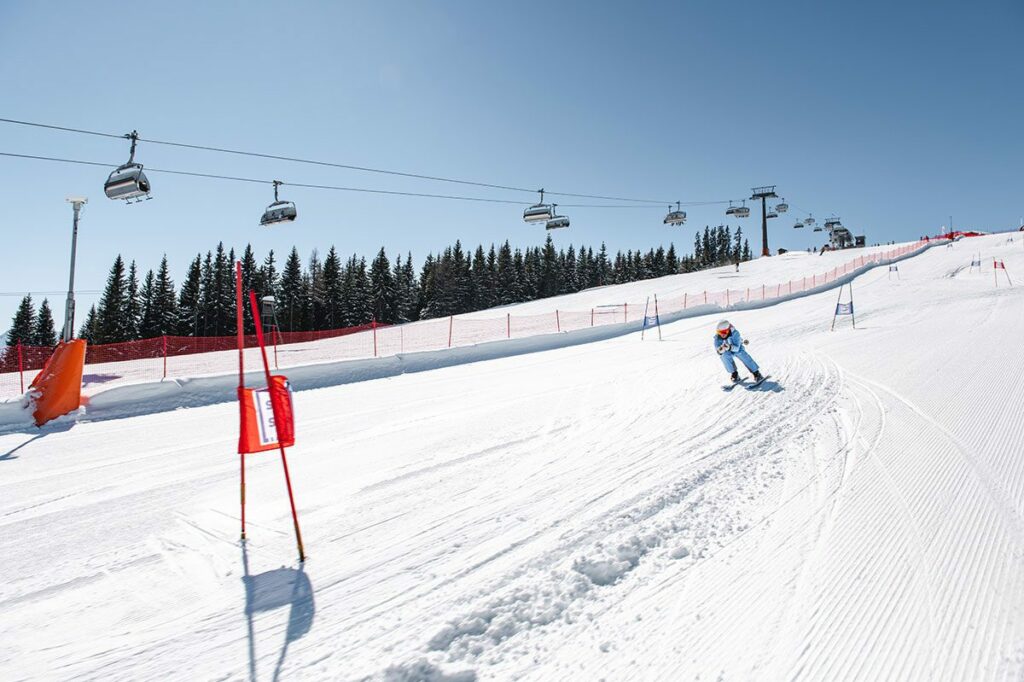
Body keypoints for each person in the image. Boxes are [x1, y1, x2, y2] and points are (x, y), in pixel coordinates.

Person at [714, 320, 763, 384]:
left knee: (741, 354)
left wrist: (730, 347)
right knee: (724, 356)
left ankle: (756, 373)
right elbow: (718, 350)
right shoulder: (717, 337)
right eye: (719, 332)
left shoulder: (735, 333)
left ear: (728, 329)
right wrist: (721, 351)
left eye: (724, 332)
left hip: (737, 348)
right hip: (727, 349)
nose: (722, 334)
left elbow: (737, 348)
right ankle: (734, 374)